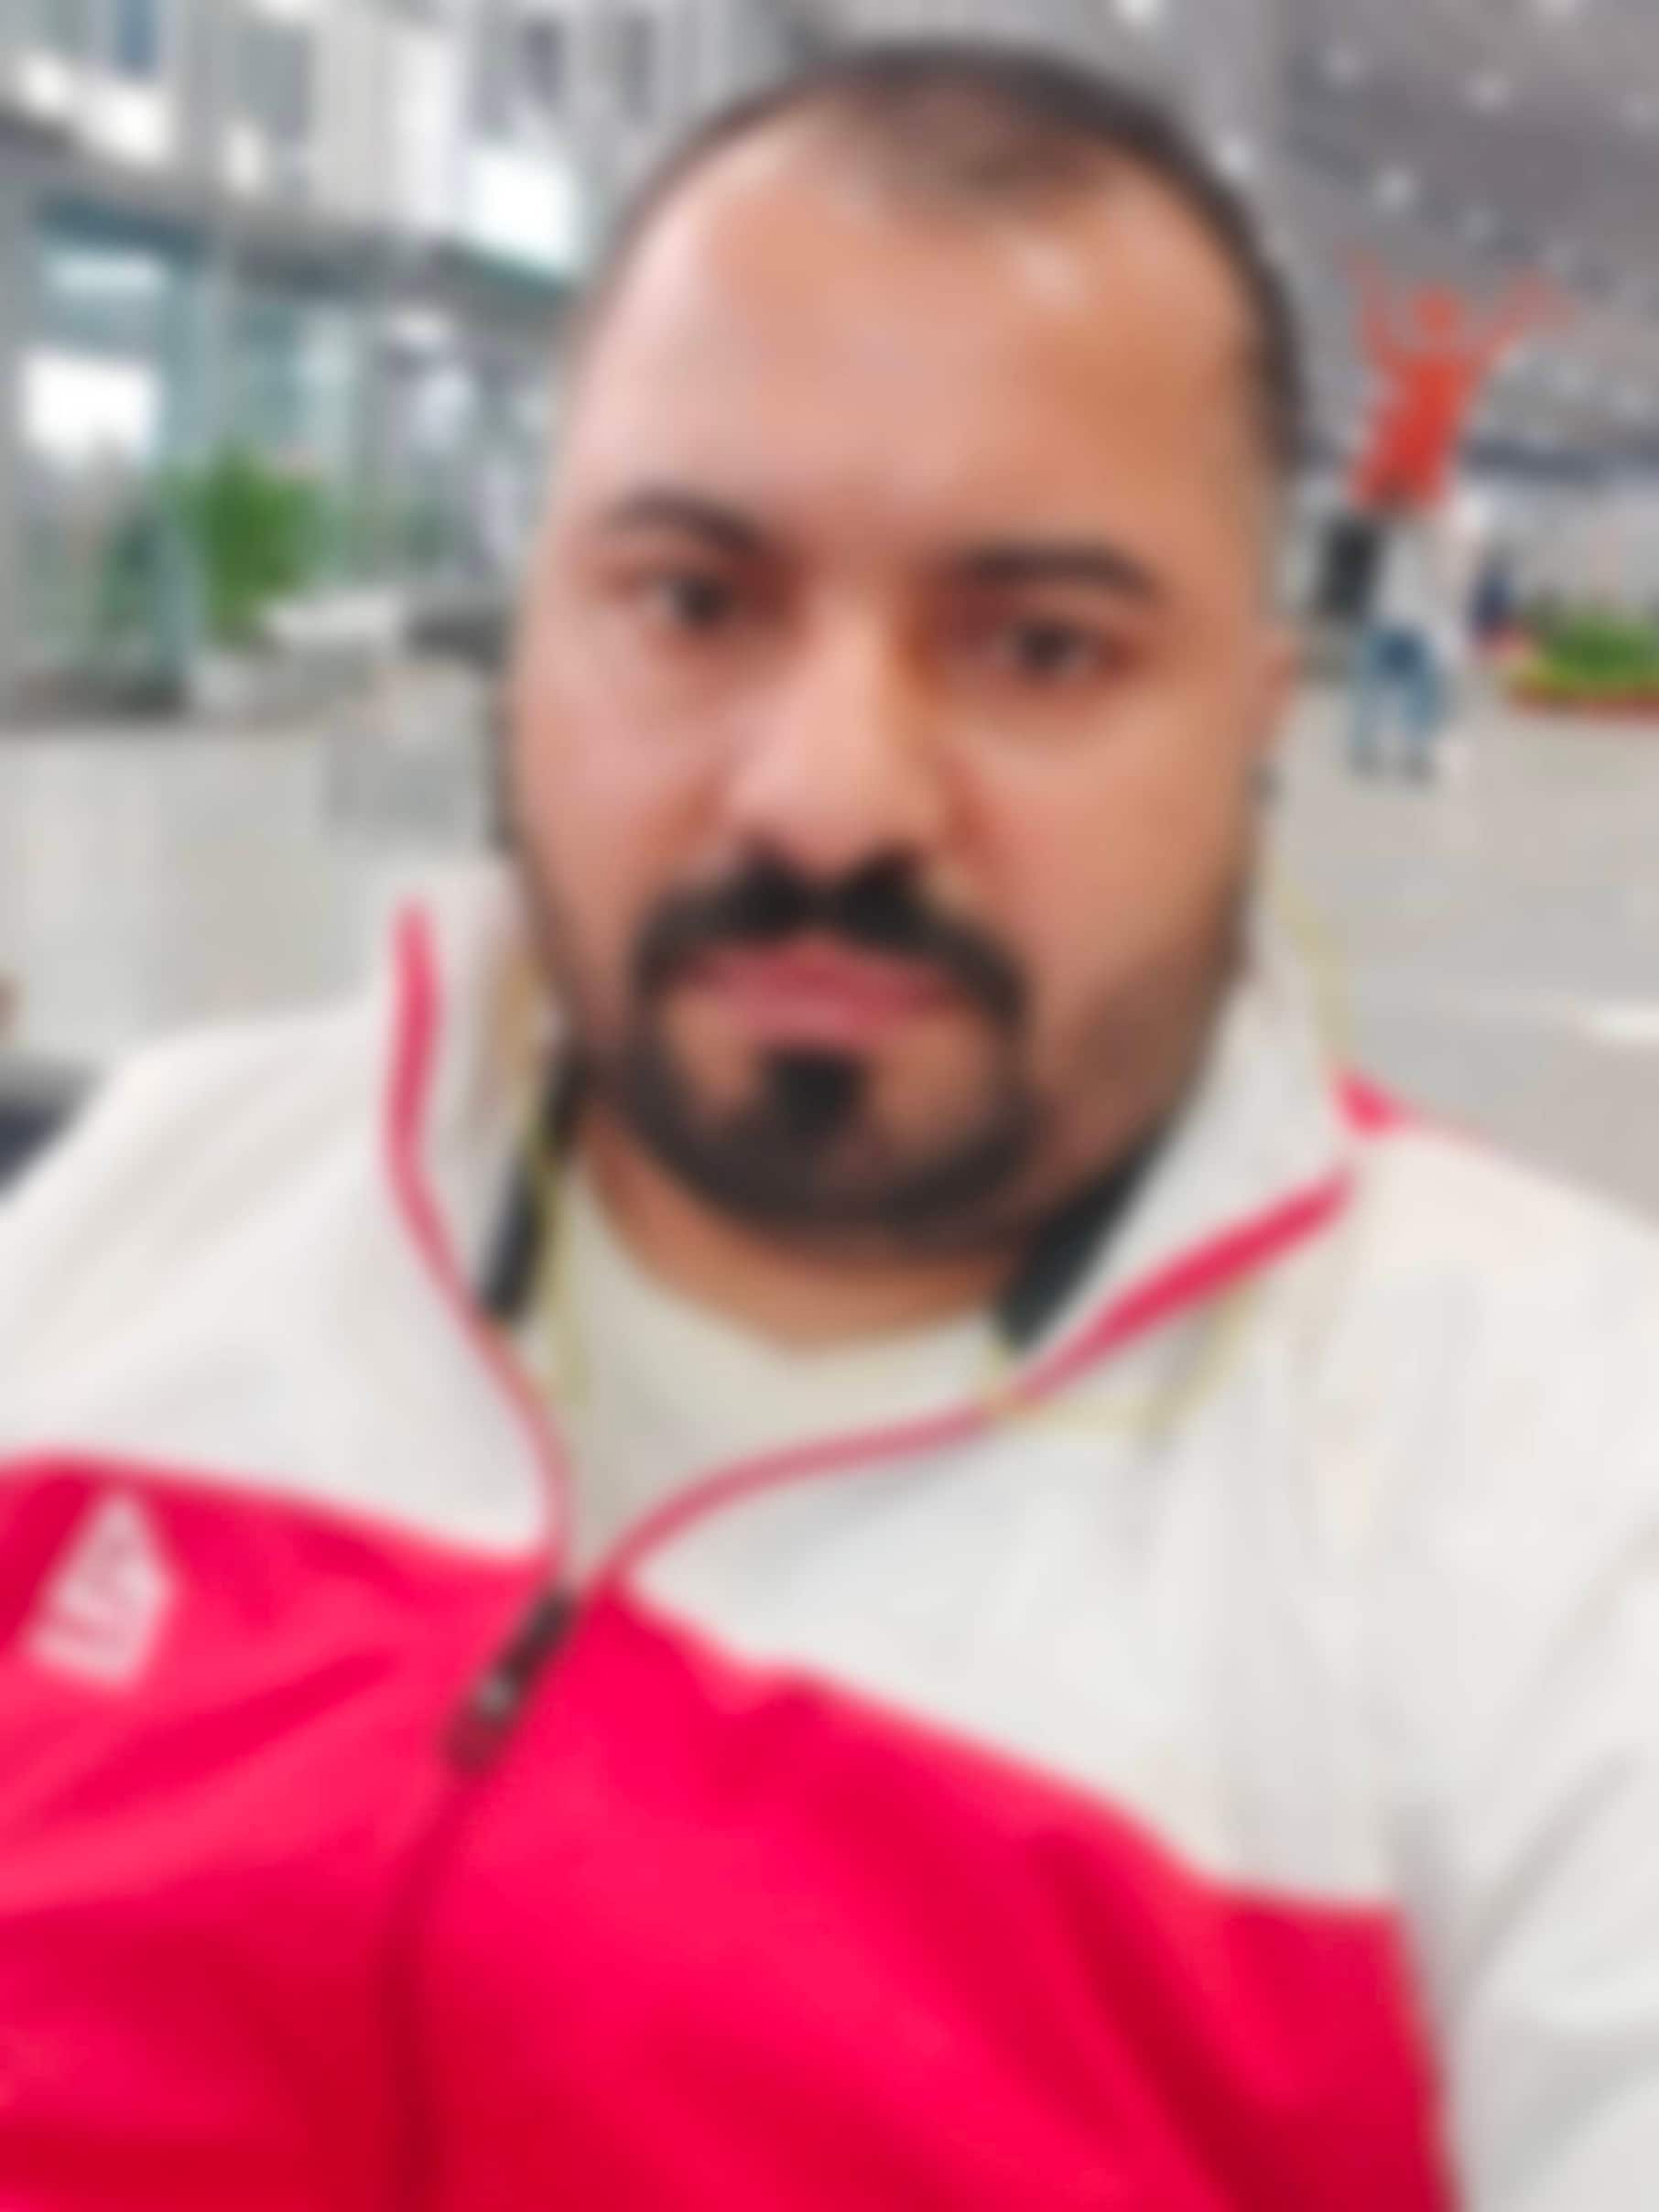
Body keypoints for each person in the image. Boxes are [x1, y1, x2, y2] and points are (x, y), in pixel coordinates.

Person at [2, 44, 1657, 2212]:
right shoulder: (159, 1202)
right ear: (534, 636)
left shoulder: (1554, 1486)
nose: (824, 795)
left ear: (1255, 726)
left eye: (1037, 646)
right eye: (693, 602)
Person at [1350, 498, 1455, 779]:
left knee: (1419, 695)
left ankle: (1414, 752)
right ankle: (1366, 746)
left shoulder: (1434, 530)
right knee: (1373, 689)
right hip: (1384, 620)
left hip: (1419, 623)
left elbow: (1446, 576)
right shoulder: (1381, 529)